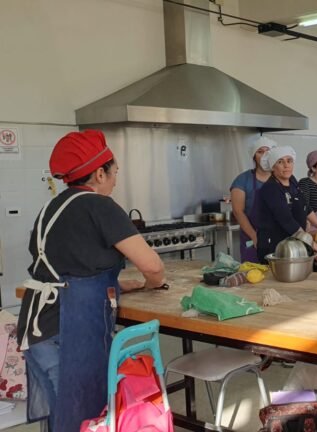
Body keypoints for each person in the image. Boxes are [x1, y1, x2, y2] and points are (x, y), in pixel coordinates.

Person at [16, 130, 166, 431]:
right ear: (99, 173)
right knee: (82, 416)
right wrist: (152, 283)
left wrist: (118, 286)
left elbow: (65, 269)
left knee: (63, 415)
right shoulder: (99, 205)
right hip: (69, 330)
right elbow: (153, 266)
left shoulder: (52, 208)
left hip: (37, 328)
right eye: (114, 173)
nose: (115, 181)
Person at [253, 145, 317, 262]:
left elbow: (305, 207)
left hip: (295, 245)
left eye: (289, 161)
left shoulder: (292, 181)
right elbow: (287, 221)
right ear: (273, 167)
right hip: (276, 248)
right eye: (280, 162)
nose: (286, 165)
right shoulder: (271, 189)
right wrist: (316, 246)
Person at [230, 136, 277, 262]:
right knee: (253, 275)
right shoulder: (243, 180)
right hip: (253, 237)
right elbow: (238, 211)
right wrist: (254, 236)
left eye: (268, 151)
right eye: (260, 152)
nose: (264, 155)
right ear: (254, 156)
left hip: (278, 238)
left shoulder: (281, 179)